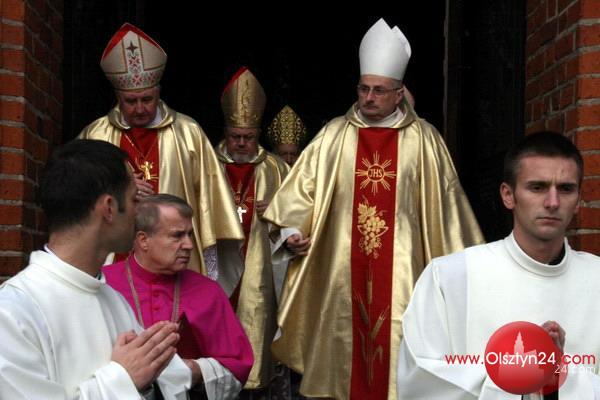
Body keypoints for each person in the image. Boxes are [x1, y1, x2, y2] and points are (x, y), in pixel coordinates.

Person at [262, 18, 483, 400]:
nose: (368, 97)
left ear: (399, 94)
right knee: (339, 350)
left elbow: (447, 208)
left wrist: (464, 270)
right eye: (364, 88)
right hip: (341, 272)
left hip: (403, 273)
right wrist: (291, 231)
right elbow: (301, 192)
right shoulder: (334, 134)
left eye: (379, 90)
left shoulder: (424, 140)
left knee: (400, 351)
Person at [397, 131, 600, 398]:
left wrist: (559, 379)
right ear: (508, 195)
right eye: (537, 187)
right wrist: (521, 376)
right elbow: (419, 380)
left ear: (578, 201)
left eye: (565, 189)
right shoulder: (450, 276)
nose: (552, 202)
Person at [0, 139, 196, 399]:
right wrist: (122, 380)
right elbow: (129, 376)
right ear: (109, 209)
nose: (139, 213)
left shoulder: (113, 300)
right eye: (134, 199)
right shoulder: (12, 313)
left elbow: (163, 380)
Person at [79, 22, 243, 276]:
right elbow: (75, 194)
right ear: (118, 97)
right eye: (131, 101)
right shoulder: (96, 134)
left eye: (147, 99)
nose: (140, 108)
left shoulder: (188, 132)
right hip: (112, 258)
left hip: (176, 260)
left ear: (158, 93)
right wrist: (117, 186)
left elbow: (210, 198)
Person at [104, 194, 254, 400]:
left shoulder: (208, 291)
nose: (189, 245)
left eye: (189, 234)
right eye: (177, 236)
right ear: (143, 240)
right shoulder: (103, 284)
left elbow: (238, 366)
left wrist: (195, 370)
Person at [214, 67, 290, 397]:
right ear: (226, 132)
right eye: (235, 136)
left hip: (259, 270)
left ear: (258, 133)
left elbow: (298, 218)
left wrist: (277, 213)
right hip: (218, 263)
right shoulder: (208, 163)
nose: (242, 143)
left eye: (248, 137)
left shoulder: (277, 168)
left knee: (256, 330)